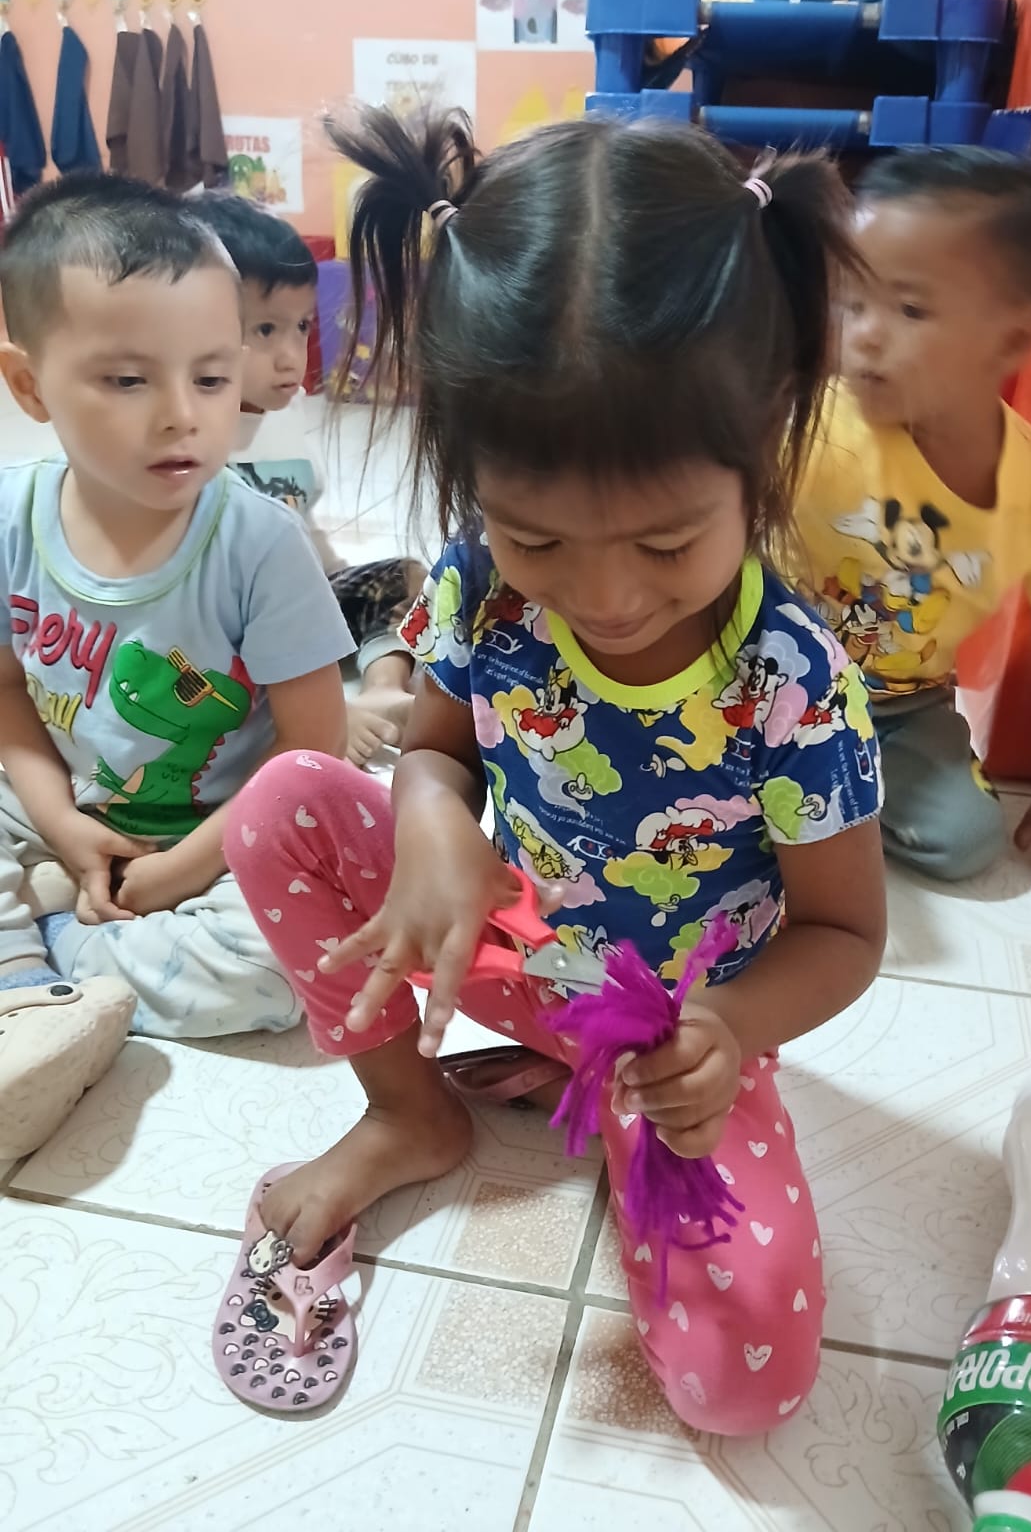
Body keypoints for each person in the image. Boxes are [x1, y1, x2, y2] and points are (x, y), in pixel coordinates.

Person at [224, 107, 887, 1437]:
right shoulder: (479, 582)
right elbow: (435, 748)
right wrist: (431, 819)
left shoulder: (793, 678)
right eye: (537, 537)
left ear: (765, 440)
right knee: (282, 802)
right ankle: (410, 1116)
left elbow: (845, 934)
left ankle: (607, 1110)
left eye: (666, 543)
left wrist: (724, 1037)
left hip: (669, 1038)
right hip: (505, 952)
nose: (604, 595)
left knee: (742, 1386)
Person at [0, 170, 353, 1044]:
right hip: (51, 803)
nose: (181, 416)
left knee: (296, 966)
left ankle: (53, 951)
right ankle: (32, 973)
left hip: (222, 834)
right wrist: (61, 825)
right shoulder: (12, 517)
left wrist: (177, 873)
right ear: (30, 386)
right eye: (128, 380)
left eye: (212, 377)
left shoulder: (260, 545)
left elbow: (313, 755)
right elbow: (7, 695)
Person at [798, 147, 1031, 894]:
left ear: (1012, 340)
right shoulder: (805, 425)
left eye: (909, 309)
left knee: (968, 841)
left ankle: (811, 800)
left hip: (901, 707)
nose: (864, 335)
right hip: (767, 676)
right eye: (852, 302)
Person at [189, 190, 428, 767]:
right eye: (263, 330)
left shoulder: (286, 416)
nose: (290, 355)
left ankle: (382, 686)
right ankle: (325, 709)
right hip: (230, 619)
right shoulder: (191, 436)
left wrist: (336, 585)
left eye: (299, 326)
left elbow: (305, 522)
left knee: (404, 576)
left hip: (301, 597)